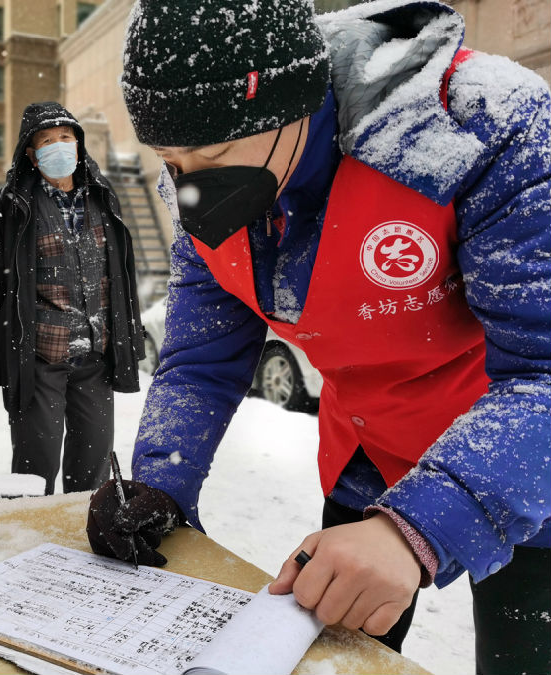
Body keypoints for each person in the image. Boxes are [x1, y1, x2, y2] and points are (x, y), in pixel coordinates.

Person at [86, 2, 550, 673]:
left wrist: (414, 530)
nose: (189, 189)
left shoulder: (487, 126)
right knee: (333, 661)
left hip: (518, 462)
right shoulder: (208, 194)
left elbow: (543, 373)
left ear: (289, 107)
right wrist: (161, 482)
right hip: (365, 453)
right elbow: (198, 362)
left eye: (213, 156)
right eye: (169, 162)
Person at [0, 102, 146, 495]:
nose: (58, 146)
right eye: (46, 141)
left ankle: (86, 527)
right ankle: (33, 529)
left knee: (93, 464)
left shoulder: (102, 197)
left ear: (78, 144)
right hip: (38, 359)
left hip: (95, 354)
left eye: (65, 137)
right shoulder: (10, 205)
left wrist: (129, 339)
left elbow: (122, 274)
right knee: (36, 467)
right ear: (32, 155)